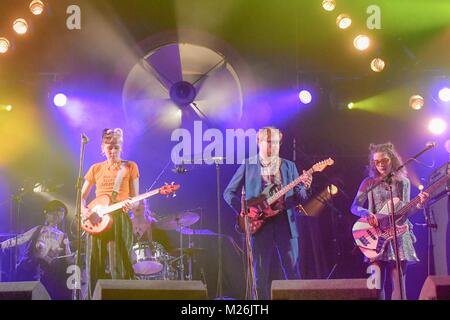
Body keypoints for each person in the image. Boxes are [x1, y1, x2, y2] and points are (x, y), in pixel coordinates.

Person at [223, 127, 312, 300]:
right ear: (259, 142)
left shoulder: (288, 166)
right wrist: (244, 210)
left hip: (284, 225)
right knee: (259, 276)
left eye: (277, 142)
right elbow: (228, 193)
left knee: (293, 273)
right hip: (258, 226)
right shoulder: (249, 165)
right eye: (270, 142)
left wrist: (306, 187)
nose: (274, 146)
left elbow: (298, 197)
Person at [351, 142, 429, 300]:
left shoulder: (403, 182)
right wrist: (367, 213)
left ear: (392, 159)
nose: (380, 164)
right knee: (374, 283)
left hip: (397, 235)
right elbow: (354, 207)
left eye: (384, 160)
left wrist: (419, 204)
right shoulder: (369, 182)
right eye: (376, 162)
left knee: (399, 284)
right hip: (375, 235)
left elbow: (406, 211)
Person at [81, 128, 139, 299]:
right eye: (109, 148)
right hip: (97, 219)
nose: (113, 151)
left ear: (121, 148)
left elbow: (136, 199)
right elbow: (81, 197)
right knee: (93, 265)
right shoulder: (95, 168)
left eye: (116, 147)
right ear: (102, 148)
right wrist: (85, 211)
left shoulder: (130, 166)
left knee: (118, 265)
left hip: (119, 218)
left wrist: (132, 204)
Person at [0, 200, 71, 299]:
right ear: (47, 214)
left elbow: (69, 257)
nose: (56, 214)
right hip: (30, 269)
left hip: (48, 274)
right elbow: (22, 238)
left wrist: (74, 258)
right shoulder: (39, 229)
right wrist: (2, 245)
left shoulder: (63, 236)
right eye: (53, 211)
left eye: (59, 211)